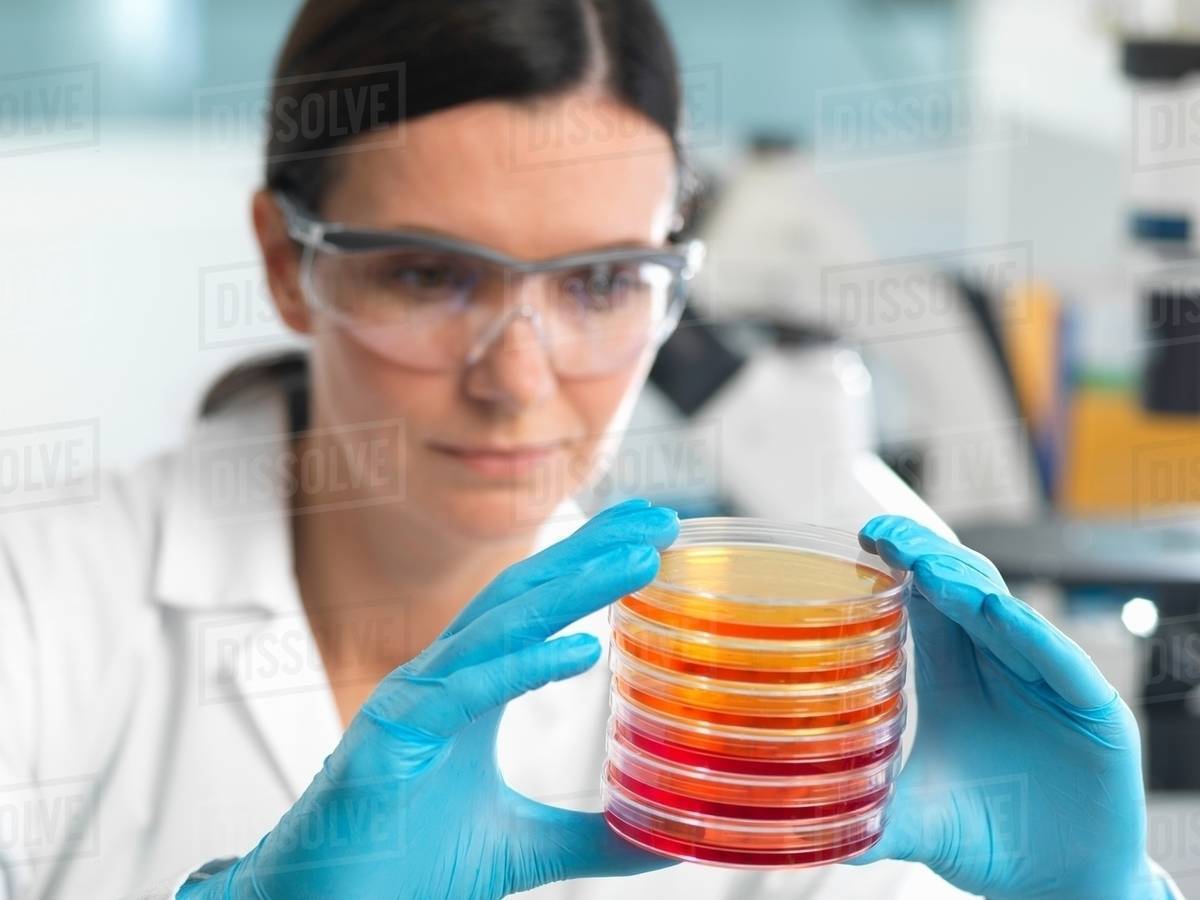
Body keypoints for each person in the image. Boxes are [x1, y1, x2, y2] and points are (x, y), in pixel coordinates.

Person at [0, 1, 1180, 898]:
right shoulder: (42, 606)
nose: (518, 377)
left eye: (605, 281)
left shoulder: (744, 696)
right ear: (282, 260)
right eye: (427, 274)